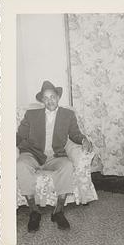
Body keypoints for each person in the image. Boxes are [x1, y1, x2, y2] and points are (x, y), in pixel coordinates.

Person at [17, 80, 92, 232]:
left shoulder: (68, 115)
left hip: (55, 156)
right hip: (33, 154)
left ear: (58, 97)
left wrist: (84, 139)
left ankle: (58, 211)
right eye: (46, 98)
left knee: (67, 165)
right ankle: (34, 212)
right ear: (42, 100)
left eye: (53, 97)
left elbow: (75, 134)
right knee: (21, 165)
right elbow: (20, 135)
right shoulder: (31, 115)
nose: (50, 100)